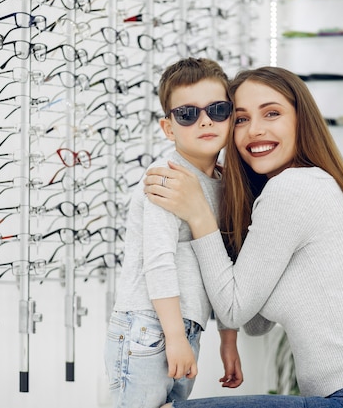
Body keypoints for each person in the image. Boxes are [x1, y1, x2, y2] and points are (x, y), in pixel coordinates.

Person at [144, 66, 343, 408]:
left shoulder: (293, 188)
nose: (254, 130)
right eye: (241, 119)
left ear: (300, 120)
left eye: (272, 113)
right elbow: (254, 323)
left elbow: (233, 311)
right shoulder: (304, 185)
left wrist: (200, 213)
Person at [104, 57, 245, 408]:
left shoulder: (225, 182)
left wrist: (228, 342)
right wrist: (174, 337)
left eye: (217, 109)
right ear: (168, 128)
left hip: (184, 328)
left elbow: (225, 267)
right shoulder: (166, 175)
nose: (205, 121)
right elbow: (158, 260)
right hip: (149, 325)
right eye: (187, 114)